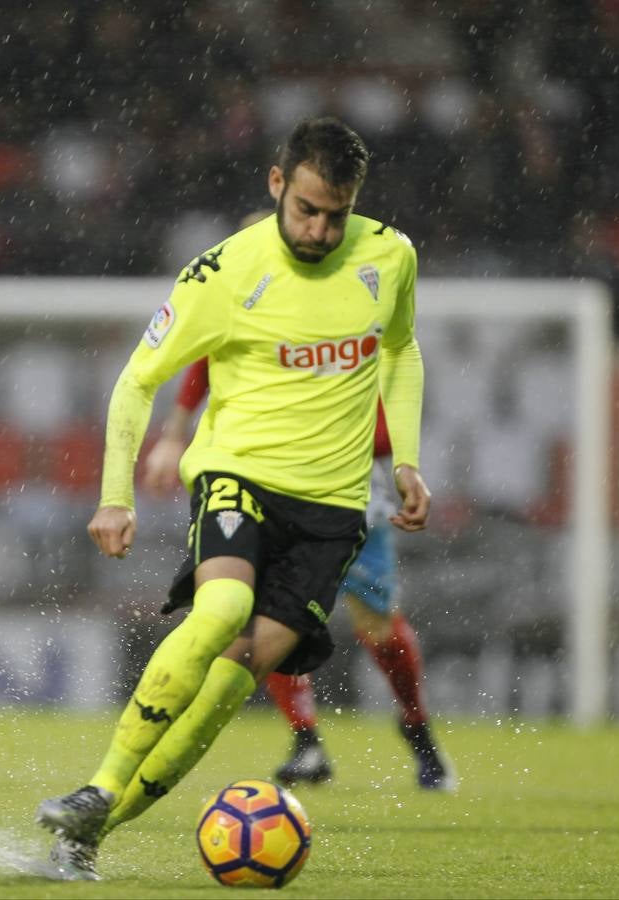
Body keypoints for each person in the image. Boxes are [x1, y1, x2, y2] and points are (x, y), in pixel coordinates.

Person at [35, 117, 429, 880]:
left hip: (334, 512)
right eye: (307, 208)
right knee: (217, 614)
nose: (318, 229)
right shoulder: (221, 274)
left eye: (335, 214)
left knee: (230, 685)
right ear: (277, 184)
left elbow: (401, 348)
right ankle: (100, 786)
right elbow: (137, 380)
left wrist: (407, 459)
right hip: (238, 478)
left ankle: (90, 834)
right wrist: (116, 497)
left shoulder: (390, 257)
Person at [143, 358, 454, 790]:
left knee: (377, 625)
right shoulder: (261, 302)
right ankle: (306, 739)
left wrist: (391, 453)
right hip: (269, 481)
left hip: (347, 488)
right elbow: (209, 351)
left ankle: (417, 728)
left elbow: (386, 415)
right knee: (270, 609)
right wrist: (176, 430)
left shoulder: (354, 312)